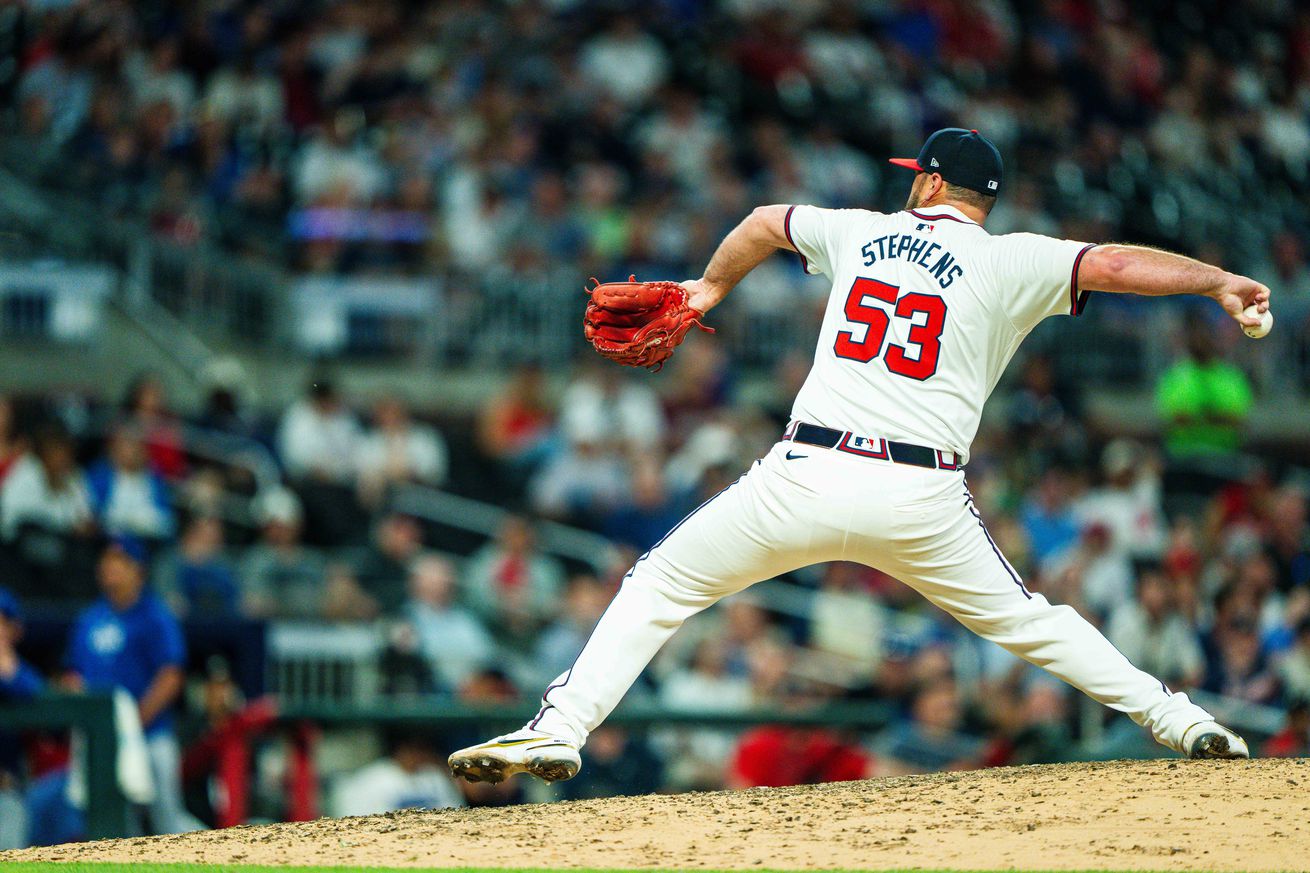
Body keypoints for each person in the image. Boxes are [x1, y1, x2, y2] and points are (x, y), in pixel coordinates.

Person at [450, 127, 1264, 786]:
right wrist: (1218, 280)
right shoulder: (1014, 256)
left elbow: (766, 220)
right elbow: (1117, 263)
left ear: (934, 184)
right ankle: (1182, 718)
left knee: (660, 582)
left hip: (805, 473)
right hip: (922, 494)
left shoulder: (861, 231)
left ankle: (559, 728)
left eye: (919, 173)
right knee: (1028, 622)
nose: (910, 181)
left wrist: (704, 290)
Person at [65, 538, 204, 834]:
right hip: (102, 741)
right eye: (106, 561)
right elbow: (73, 674)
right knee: (115, 824)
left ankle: (212, 853)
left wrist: (132, 722)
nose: (109, 568)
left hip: (151, 734)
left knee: (166, 817)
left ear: (138, 570)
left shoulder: (155, 616)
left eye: (119, 562)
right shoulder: (90, 618)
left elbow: (171, 675)